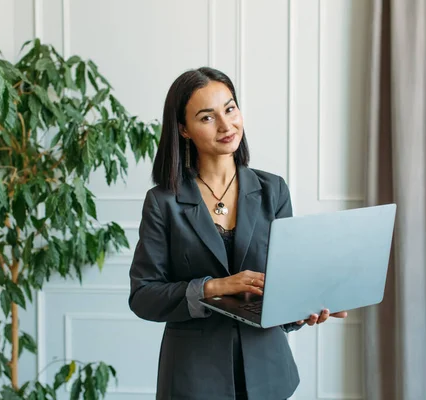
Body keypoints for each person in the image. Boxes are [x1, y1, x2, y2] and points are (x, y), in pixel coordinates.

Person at [128, 67, 347, 400]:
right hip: (193, 380)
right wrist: (212, 288)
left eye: (230, 108)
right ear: (184, 130)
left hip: (268, 375)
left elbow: (283, 289)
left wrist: (307, 308)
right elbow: (143, 296)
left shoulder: (273, 190)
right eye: (207, 117)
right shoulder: (163, 202)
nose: (226, 125)